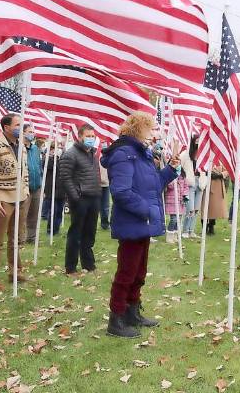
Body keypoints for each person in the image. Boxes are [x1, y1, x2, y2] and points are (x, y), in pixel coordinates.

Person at [100, 112, 180, 338]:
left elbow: (153, 185)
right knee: (126, 272)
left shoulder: (141, 154)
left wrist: (171, 170)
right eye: (150, 128)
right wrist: (146, 210)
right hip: (132, 221)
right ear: (138, 129)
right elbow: (121, 191)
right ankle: (116, 319)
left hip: (143, 222)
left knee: (139, 271)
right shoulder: (124, 154)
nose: (153, 133)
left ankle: (132, 311)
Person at [0, 113, 30, 291]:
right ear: (6, 127)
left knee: (16, 238)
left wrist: (25, 190)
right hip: (3, 200)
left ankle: (15, 271)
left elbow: (24, 171)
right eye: (17, 125)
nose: (20, 127)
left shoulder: (22, 146)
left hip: (21, 198)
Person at [59, 124, 102, 275]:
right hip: (80, 199)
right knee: (76, 233)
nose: (91, 139)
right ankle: (70, 268)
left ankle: (89, 265)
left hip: (94, 197)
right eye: (88, 136)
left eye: (93, 136)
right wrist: (75, 197)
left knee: (90, 233)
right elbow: (65, 177)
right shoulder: (70, 154)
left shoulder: (92, 154)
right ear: (80, 136)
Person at [180, 135, 206, 238]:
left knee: (196, 209)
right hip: (190, 183)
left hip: (200, 182)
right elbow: (179, 166)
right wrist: (184, 178)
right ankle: (185, 230)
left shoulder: (203, 154)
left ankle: (191, 230)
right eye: (197, 141)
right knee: (189, 208)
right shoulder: (186, 155)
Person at [23, 124, 44, 243]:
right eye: (29, 131)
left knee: (34, 214)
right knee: (23, 214)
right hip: (25, 187)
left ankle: (32, 237)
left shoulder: (35, 149)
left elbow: (39, 166)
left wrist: (41, 183)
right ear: (23, 133)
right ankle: (20, 237)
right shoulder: (19, 147)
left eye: (33, 132)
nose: (32, 134)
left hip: (37, 186)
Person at [41, 142, 65, 235]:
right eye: (56, 147)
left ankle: (57, 228)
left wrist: (60, 156)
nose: (58, 149)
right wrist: (53, 157)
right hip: (52, 188)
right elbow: (48, 166)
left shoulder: (62, 157)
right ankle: (50, 230)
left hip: (62, 188)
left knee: (59, 210)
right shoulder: (47, 158)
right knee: (53, 211)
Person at [203, 163, 229, 235]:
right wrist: (207, 173)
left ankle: (211, 226)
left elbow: (227, 171)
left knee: (214, 208)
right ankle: (204, 227)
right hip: (205, 185)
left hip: (217, 186)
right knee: (204, 207)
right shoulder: (205, 158)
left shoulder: (220, 160)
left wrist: (220, 175)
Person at [164, 170, 189, 243]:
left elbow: (186, 187)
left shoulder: (183, 176)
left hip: (180, 201)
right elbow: (170, 186)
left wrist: (185, 195)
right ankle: (169, 236)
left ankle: (175, 236)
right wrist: (175, 177)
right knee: (173, 219)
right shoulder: (170, 174)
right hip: (172, 201)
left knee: (178, 220)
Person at [100, 150, 111, 230]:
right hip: (96, 183)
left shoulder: (109, 156)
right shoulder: (96, 155)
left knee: (105, 205)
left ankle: (105, 224)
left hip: (106, 183)